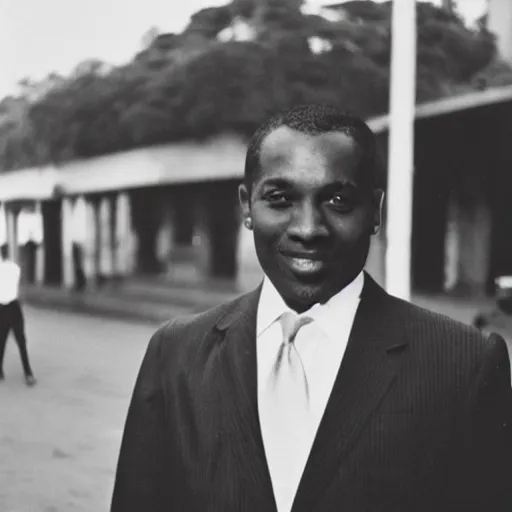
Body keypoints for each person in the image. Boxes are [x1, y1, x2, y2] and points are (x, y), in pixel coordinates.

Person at [111, 105, 512, 512]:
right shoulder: (175, 353)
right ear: (248, 207)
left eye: (338, 200)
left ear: (374, 211)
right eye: (280, 198)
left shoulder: (465, 364)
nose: (307, 228)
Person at [0, 248, 36, 386]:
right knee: (21, 341)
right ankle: (28, 373)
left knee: (1, 341)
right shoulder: (15, 268)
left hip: (2, 308)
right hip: (14, 307)